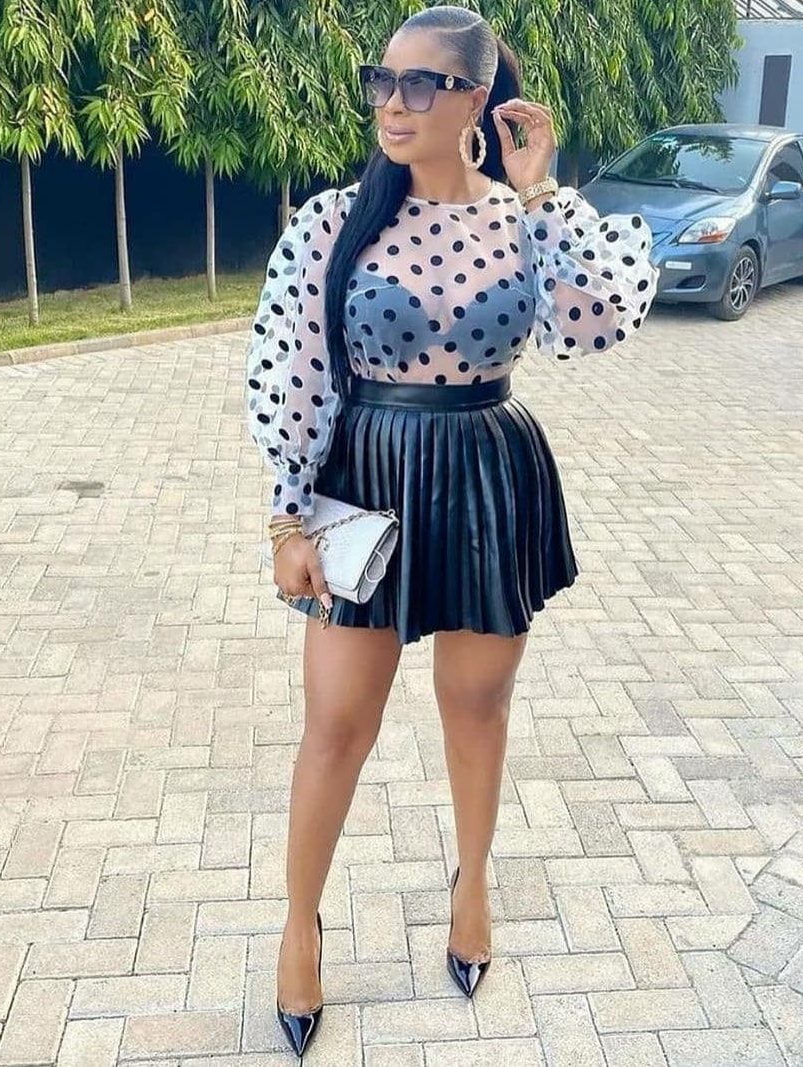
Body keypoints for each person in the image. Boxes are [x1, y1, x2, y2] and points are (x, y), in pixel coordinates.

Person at [245, 4, 658, 1058]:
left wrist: (542, 189)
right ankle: (299, 922)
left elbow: (597, 319)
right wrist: (287, 513)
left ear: (476, 98)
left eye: (420, 84)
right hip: (366, 475)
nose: (393, 103)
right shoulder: (335, 221)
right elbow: (293, 365)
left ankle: (472, 885)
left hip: (483, 472)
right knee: (336, 724)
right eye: (382, 81)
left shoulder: (522, 219)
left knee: (477, 707)